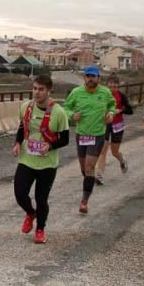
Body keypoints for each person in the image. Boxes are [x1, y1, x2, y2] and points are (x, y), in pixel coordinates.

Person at [13, 74, 70, 243]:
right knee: (20, 193)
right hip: (27, 158)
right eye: (35, 88)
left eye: (41, 89)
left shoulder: (59, 112)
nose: (37, 93)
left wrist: (50, 146)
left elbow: (65, 139)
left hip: (47, 163)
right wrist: (17, 143)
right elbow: (22, 127)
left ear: (49, 91)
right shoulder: (25, 107)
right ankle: (31, 213)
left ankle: (40, 229)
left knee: (41, 198)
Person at [63, 65, 116, 214]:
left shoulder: (105, 92)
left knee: (88, 167)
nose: (90, 79)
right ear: (84, 78)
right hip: (81, 134)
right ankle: (89, 181)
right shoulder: (76, 92)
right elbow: (66, 107)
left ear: (98, 78)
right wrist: (72, 115)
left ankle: (84, 201)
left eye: (93, 76)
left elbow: (112, 104)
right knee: (84, 169)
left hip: (98, 135)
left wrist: (111, 113)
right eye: (88, 76)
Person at [94, 74, 134, 184]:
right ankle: (99, 175)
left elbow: (130, 110)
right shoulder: (102, 95)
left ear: (118, 86)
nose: (112, 89)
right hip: (106, 124)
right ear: (107, 85)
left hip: (117, 125)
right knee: (103, 150)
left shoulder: (121, 96)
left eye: (114, 86)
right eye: (110, 86)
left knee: (114, 152)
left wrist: (120, 110)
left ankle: (122, 160)